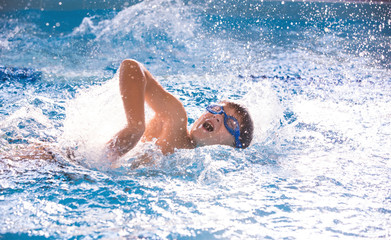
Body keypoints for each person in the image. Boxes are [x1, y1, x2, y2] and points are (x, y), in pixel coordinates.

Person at [105, 59, 254, 164]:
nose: (217, 117)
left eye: (230, 123)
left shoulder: (201, 170)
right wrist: (135, 127)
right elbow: (132, 67)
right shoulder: (175, 118)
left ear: (233, 146)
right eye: (217, 110)